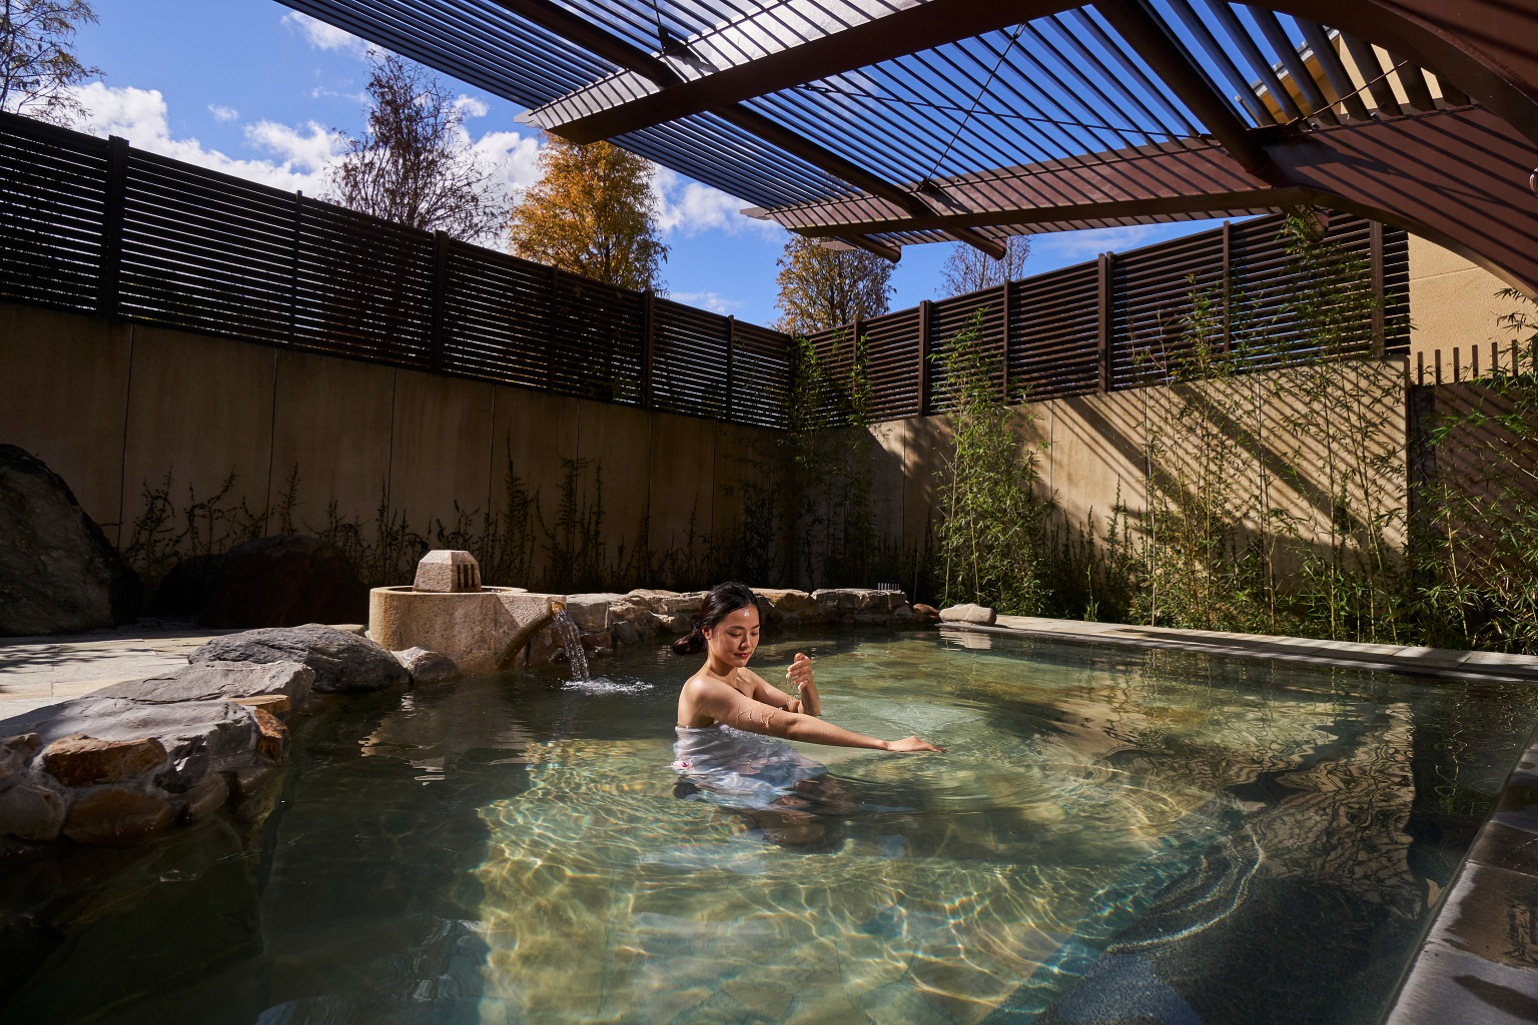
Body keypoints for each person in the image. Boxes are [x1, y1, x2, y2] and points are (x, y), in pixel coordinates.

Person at [672, 582, 944, 792]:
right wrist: (886, 745)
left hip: (751, 761)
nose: (747, 644)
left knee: (838, 796)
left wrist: (807, 683)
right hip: (716, 773)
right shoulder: (702, 688)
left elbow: (804, 713)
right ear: (707, 631)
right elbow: (789, 726)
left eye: (754, 632)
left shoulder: (744, 677)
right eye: (735, 634)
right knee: (802, 825)